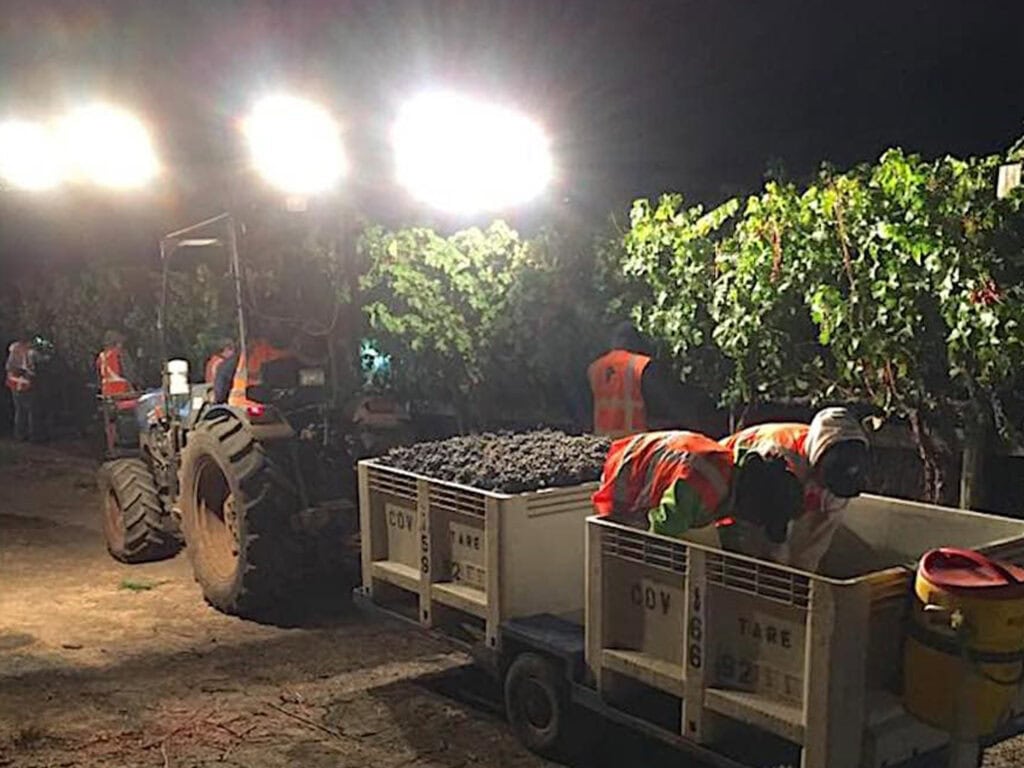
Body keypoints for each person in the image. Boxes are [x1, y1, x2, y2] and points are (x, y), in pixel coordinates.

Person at [593, 430, 804, 549]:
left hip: (658, 461)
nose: (755, 525)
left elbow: (731, 533)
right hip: (627, 471)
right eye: (760, 520)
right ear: (752, 506)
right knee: (620, 550)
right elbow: (662, 533)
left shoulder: (735, 480)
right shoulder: (700, 486)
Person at [720, 407, 871, 571]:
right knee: (740, 562)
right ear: (818, 461)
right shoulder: (780, 458)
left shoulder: (845, 471)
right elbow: (770, 518)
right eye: (827, 483)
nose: (828, 491)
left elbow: (823, 530)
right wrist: (778, 567)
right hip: (723, 481)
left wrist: (804, 576)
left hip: (766, 493)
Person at [585, 321, 715, 439]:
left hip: (603, 443)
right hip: (634, 443)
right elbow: (663, 404)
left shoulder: (594, 368)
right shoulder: (642, 365)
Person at [5, 336, 36, 441]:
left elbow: (9, 367)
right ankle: (30, 434)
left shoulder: (14, 349)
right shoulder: (29, 351)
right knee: (29, 409)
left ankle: (19, 434)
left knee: (19, 409)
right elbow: (31, 368)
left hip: (14, 380)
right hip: (24, 380)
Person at [96, 330, 139, 397]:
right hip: (123, 391)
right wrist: (134, 387)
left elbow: (99, 376)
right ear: (117, 343)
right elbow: (128, 372)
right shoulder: (120, 354)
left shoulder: (102, 356)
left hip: (107, 392)